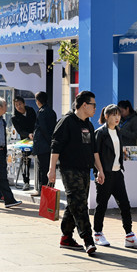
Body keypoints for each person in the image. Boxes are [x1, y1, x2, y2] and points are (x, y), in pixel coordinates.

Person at [48, 91, 105, 256]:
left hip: (85, 170)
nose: (96, 108)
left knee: (75, 203)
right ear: (84, 105)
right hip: (69, 169)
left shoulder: (88, 124)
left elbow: (94, 151)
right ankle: (88, 239)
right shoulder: (66, 122)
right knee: (79, 204)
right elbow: (55, 146)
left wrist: (99, 170)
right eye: (93, 104)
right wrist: (51, 170)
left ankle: (66, 237)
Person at [93, 104, 137, 248]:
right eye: (113, 115)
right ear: (106, 116)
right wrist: (100, 171)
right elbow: (95, 153)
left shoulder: (118, 131)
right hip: (105, 174)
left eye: (118, 115)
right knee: (102, 205)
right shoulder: (100, 133)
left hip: (117, 173)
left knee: (125, 204)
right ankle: (98, 233)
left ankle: (129, 236)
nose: (117, 118)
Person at [30, 91, 57, 197]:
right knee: (49, 168)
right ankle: (49, 189)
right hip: (49, 144)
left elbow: (43, 128)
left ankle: (43, 190)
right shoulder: (51, 111)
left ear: (38, 101)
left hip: (43, 145)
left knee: (43, 169)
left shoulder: (41, 112)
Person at [11, 96, 37, 190]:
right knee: (26, 161)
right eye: (16, 105)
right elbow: (19, 131)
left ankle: (40, 182)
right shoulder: (14, 117)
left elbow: (36, 122)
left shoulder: (30, 110)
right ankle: (26, 182)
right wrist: (28, 135)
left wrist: (35, 133)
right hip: (25, 141)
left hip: (36, 138)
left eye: (20, 104)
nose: (18, 106)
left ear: (24, 103)